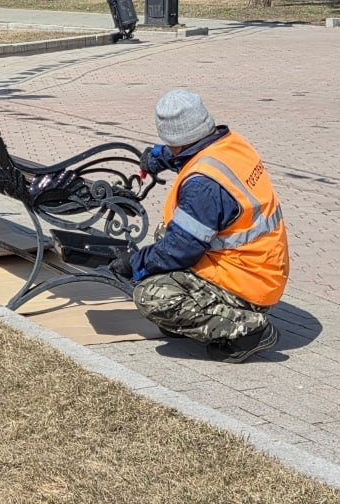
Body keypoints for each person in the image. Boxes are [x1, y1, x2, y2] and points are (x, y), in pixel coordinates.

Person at [110, 89, 289, 363]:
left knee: (151, 295)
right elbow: (190, 152)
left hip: (248, 283)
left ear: (176, 140)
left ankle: (248, 331)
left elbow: (179, 251)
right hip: (262, 266)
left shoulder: (203, 186)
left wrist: (134, 263)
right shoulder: (231, 144)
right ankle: (201, 315)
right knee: (166, 231)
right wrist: (158, 157)